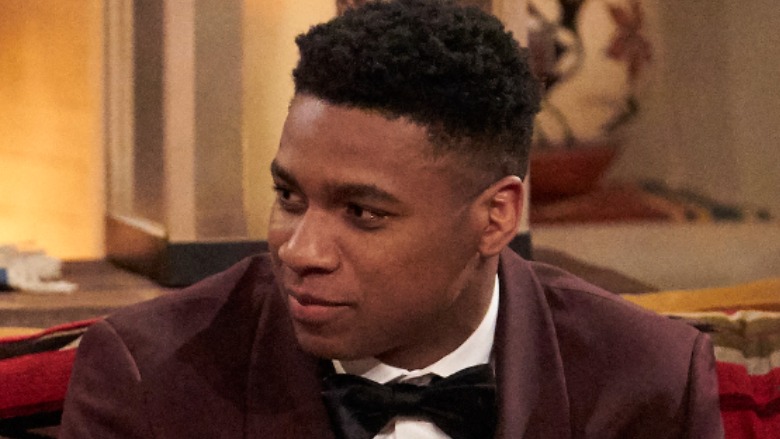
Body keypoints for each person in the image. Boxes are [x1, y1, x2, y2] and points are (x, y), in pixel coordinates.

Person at [60, 1, 724, 437]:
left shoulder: (647, 378)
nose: (301, 250)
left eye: (362, 213)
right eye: (289, 196)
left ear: (496, 217)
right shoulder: (151, 376)